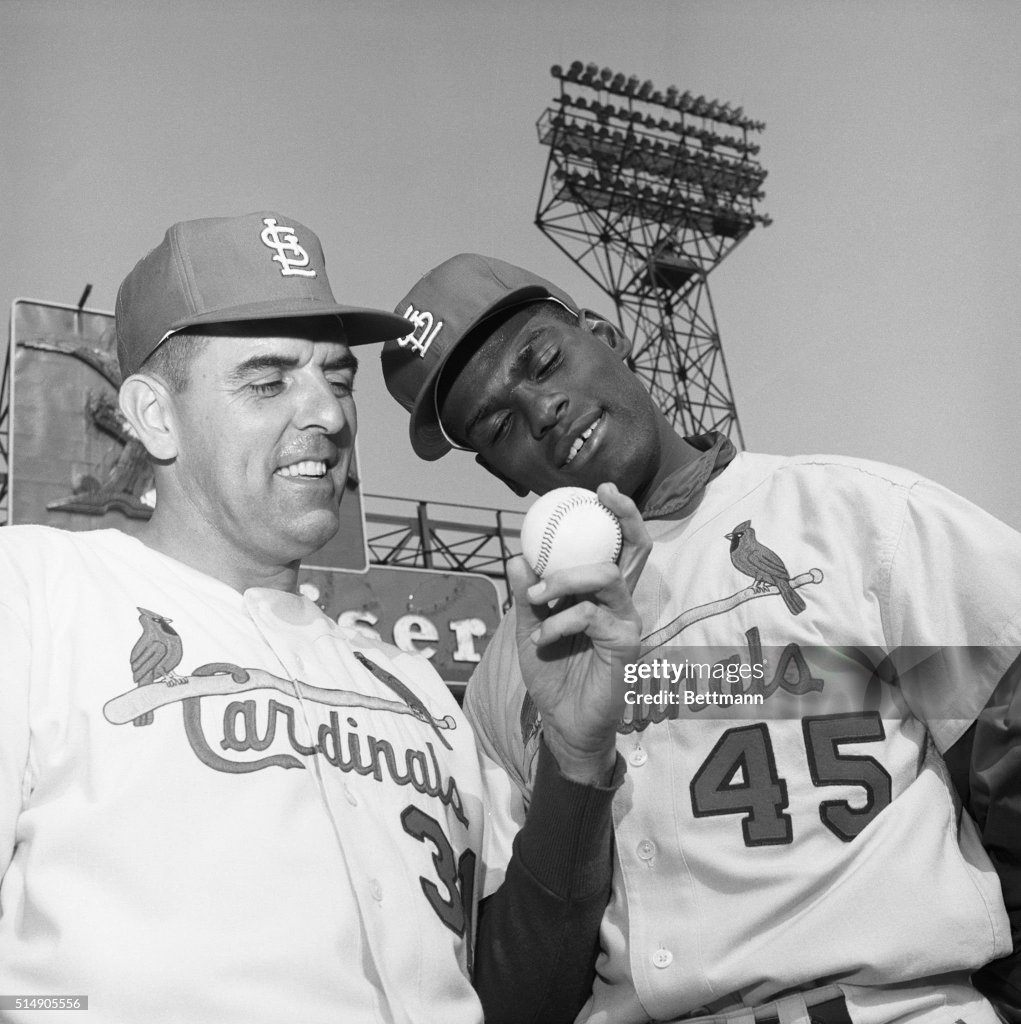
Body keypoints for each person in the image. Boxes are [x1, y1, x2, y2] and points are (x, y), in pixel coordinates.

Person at [0, 215, 651, 1024]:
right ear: (155, 416)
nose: (330, 416)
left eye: (337, 380)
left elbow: (517, 999)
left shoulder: (417, 691)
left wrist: (576, 765)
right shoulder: (34, 592)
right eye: (268, 382)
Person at [381, 252, 1021, 1024]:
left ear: (606, 336)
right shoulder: (510, 674)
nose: (540, 410)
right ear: (501, 473)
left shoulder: (858, 517)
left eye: (542, 362)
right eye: (497, 424)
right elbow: (517, 995)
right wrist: (573, 770)